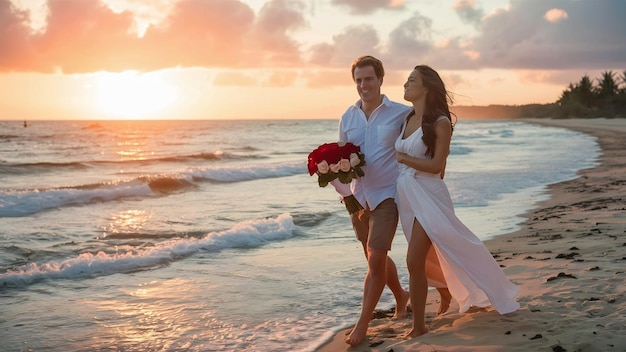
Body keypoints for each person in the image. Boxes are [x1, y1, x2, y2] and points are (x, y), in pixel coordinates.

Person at [395, 65, 520, 338]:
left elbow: (437, 165)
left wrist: (405, 159)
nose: (405, 84)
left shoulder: (440, 122)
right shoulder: (406, 119)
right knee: (427, 257)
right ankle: (449, 293)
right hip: (406, 195)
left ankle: (418, 326)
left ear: (426, 87)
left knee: (414, 260)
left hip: (429, 195)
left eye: (411, 80)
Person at [334, 56, 451, 347]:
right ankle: (401, 295)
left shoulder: (401, 113)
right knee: (376, 259)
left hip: (389, 194)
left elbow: (430, 132)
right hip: (358, 198)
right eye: (359, 80)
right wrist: (343, 191)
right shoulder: (347, 117)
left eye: (369, 79)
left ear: (380, 79)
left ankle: (362, 325)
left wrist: (436, 173)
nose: (364, 85)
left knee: (375, 259)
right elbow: (341, 159)